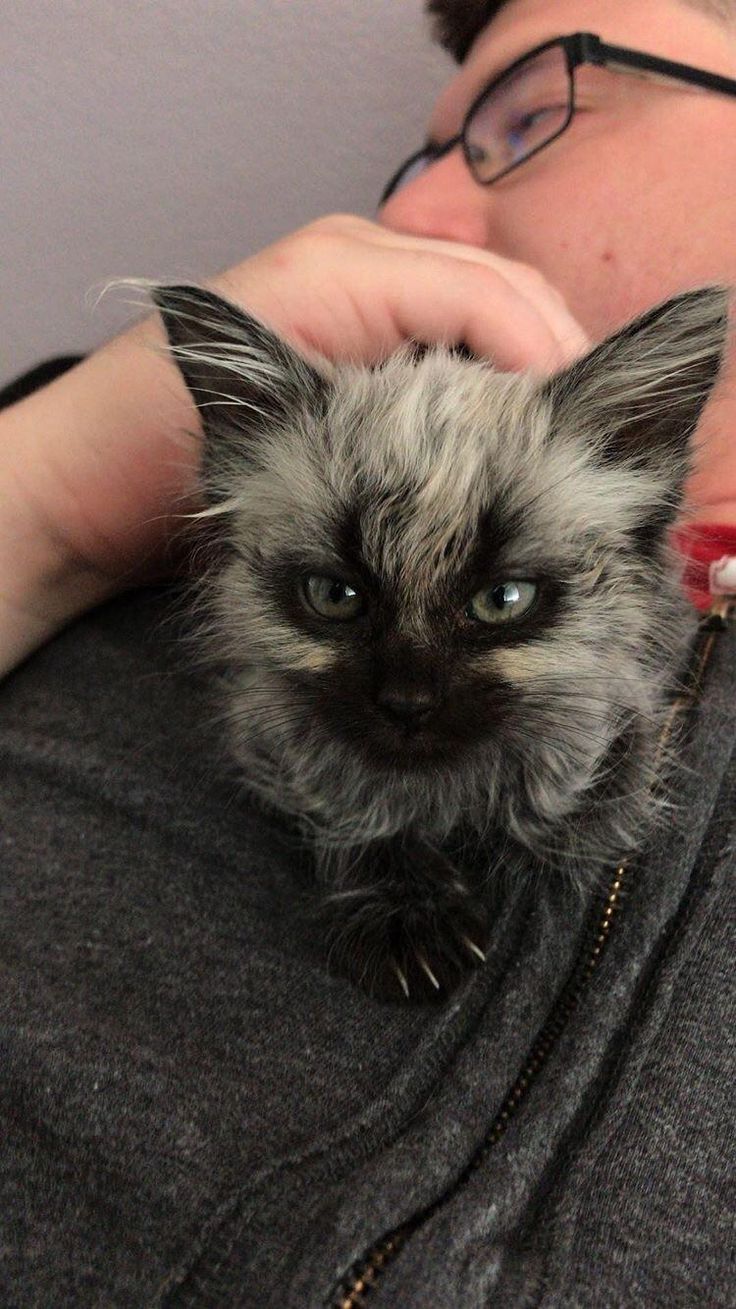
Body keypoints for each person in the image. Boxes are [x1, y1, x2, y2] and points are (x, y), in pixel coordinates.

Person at [1, 1, 734, 1305]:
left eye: (527, 115)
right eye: (416, 159)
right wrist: (47, 502)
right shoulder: (74, 464)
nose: (421, 208)